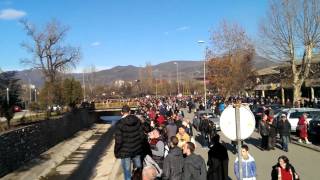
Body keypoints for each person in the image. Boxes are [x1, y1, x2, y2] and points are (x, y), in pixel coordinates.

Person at [114, 105, 145, 180]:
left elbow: (119, 141)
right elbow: (142, 136)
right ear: (130, 112)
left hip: (125, 152)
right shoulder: (137, 120)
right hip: (136, 149)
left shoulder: (119, 124)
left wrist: (116, 151)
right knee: (138, 169)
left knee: (127, 171)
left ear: (121, 113)